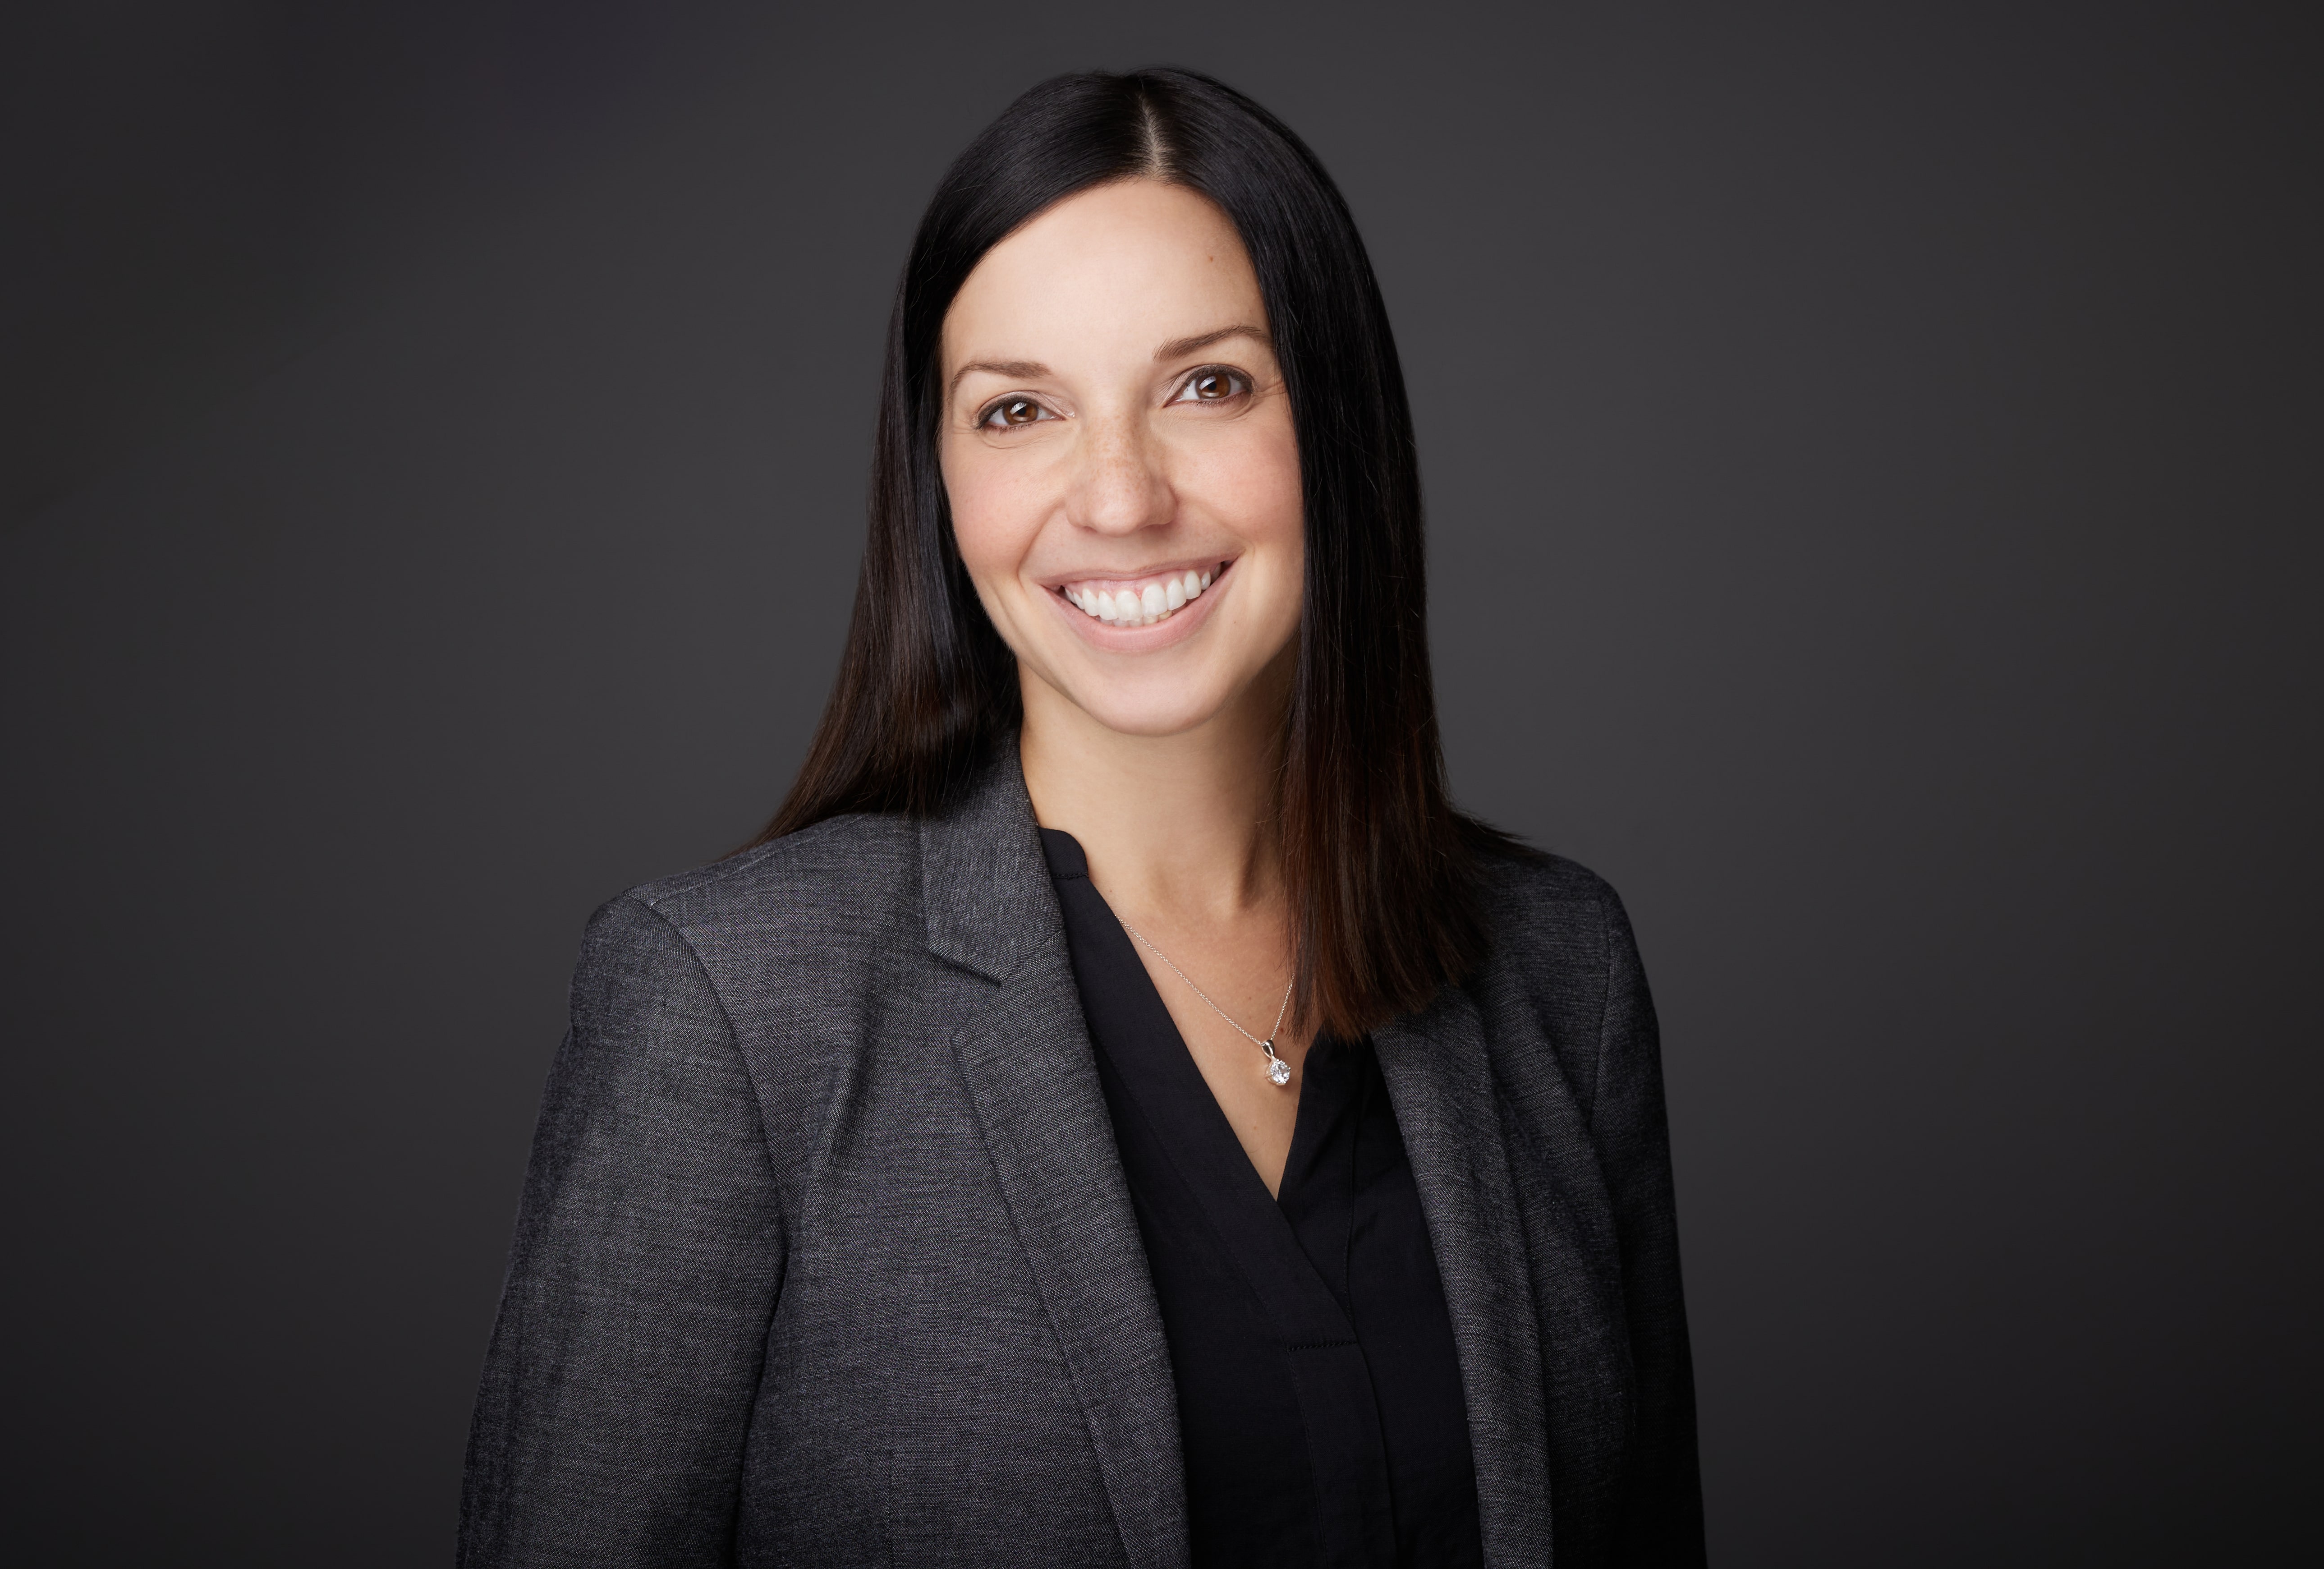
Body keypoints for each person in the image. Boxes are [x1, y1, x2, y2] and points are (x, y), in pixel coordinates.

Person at [459, 67, 1704, 1569]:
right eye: (1019, 410)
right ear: (938, 479)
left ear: (1337, 422)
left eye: (1206, 385)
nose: (1117, 498)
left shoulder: (1560, 973)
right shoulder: (731, 1008)